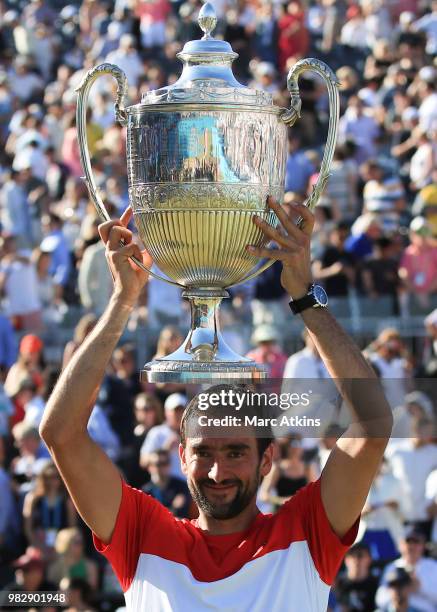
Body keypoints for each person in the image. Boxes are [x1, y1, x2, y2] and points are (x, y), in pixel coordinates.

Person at [39, 202, 392, 611]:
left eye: (236, 452)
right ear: (182, 457)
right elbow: (60, 433)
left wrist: (304, 297)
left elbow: (375, 424)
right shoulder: (143, 534)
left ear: (267, 460)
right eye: (203, 452)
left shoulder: (307, 532)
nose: (217, 471)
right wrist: (122, 301)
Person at [375, 527, 437, 612]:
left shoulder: (433, 566)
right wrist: (396, 592)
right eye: (408, 542)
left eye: (416, 542)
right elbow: (379, 600)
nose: (411, 546)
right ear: (400, 545)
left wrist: (419, 587)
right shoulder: (392, 567)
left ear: (423, 545)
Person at [334, 542, 380, 611]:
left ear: (369, 559)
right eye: (351, 555)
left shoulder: (377, 584)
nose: (356, 560)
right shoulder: (337, 585)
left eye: (360, 555)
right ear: (345, 560)